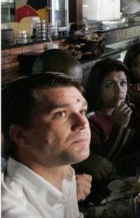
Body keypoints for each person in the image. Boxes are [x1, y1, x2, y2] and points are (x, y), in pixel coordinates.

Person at [2, 74, 91, 217]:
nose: (83, 123)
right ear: (20, 136)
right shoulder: (13, 209)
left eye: (82, 111)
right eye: (61, 114)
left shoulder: (64, 173)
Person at [83, 59, 140, 176]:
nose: (119, 90)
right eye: (110, 84)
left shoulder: (130, 108)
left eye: (123, 83)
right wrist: (120, 127)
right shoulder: (92, 121)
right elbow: (106, 166)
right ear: (97, 89)